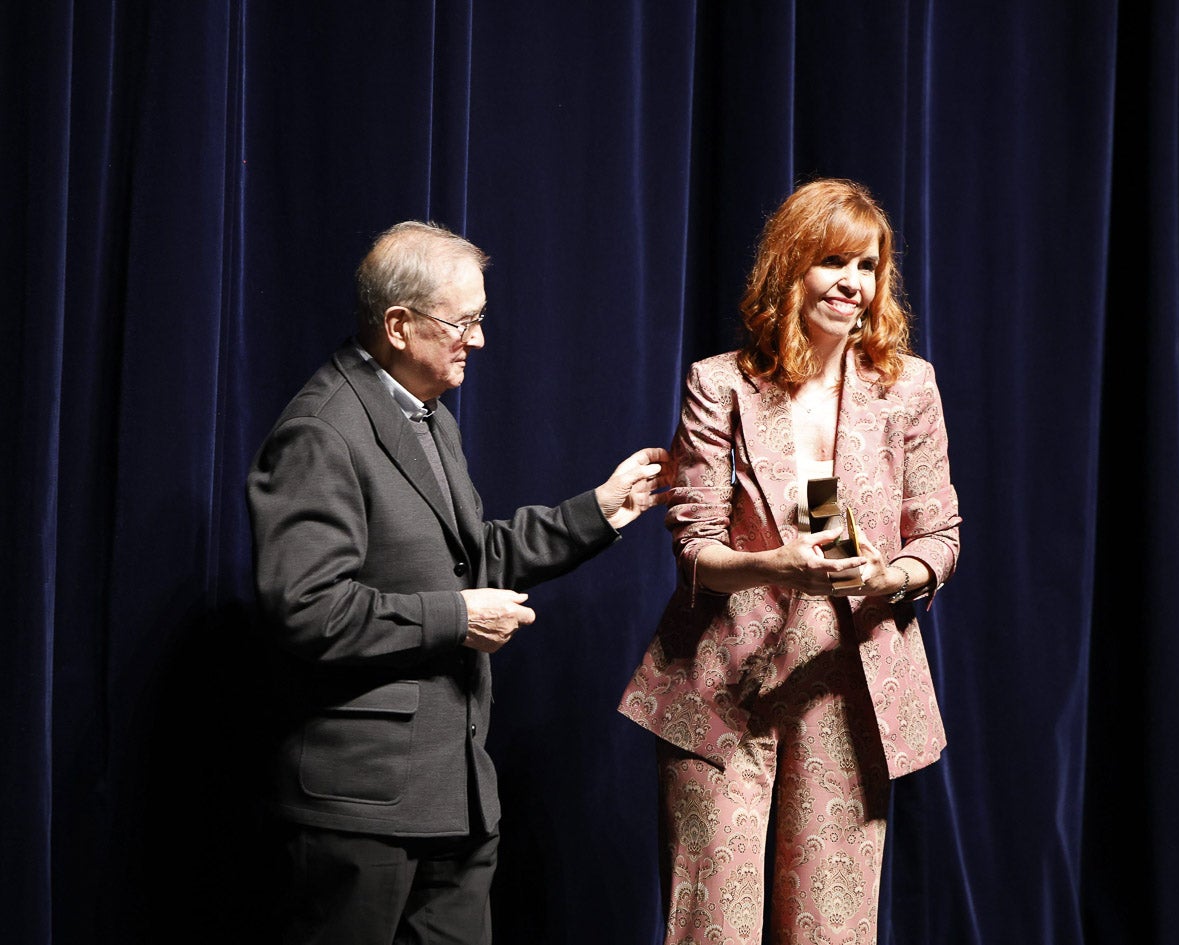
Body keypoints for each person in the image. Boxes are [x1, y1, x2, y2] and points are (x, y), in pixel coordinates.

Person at [247, 220, 671, 945]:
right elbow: (305, 607)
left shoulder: (428, 416)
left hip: (458, 795)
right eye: (463, 322)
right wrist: (453, 618)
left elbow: (470, 559)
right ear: (398, 325)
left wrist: (601, 510)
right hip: (363, 807)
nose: (477, 339)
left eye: (479, 319)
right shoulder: (322, 430)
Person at [619, 179, 962, 945]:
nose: (852, 283)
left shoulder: (908, 389)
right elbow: (695, 549)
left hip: (847, 684)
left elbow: (939, 535)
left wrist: (885, 576)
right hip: (722, 685)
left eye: (867, 266)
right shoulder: (721, 383)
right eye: (832, 261)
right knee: (713, 925)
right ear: (789, 266)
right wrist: (778, 564)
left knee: (830, 929)